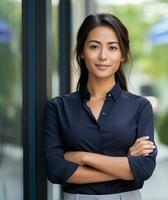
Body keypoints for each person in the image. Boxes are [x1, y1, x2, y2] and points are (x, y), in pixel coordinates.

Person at [43, 13, 157, 200]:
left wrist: (83, 158)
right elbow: (55, 170)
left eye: (112, 48)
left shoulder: (140, 107)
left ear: (123, 55)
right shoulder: (58, 108)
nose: (103, 56)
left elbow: (144, 168)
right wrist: (125, 165)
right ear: (81, 51)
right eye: (94, 46)